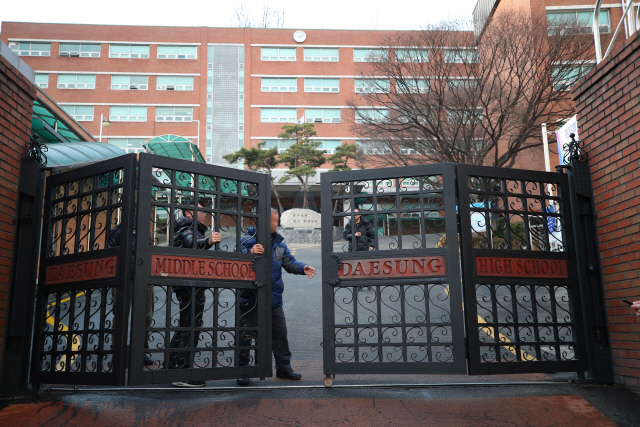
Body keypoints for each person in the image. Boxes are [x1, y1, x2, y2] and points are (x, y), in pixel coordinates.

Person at [236, 208, 316, 386]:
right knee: (246, 335)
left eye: (276, 220)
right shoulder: (247, 241)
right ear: (261, 221)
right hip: (250, 297)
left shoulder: (280, 244)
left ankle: (283, 367)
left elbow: (289, 262)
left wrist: (302, 268)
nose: (275, 224)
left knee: (280, 334)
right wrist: (249, 255)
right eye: (271, 220)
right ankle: (243, 370)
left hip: (273, 298)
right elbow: (234, 264)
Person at [170, 198, 221, 388]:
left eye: (204, 211)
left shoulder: (191, 228)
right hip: (188, 286)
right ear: (188, 213)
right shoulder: (187, 229)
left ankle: (172, 366)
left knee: (186, 324)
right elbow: (192, 242)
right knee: (191, 326)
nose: (204, 213)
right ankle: (183, 373)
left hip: (191, 285)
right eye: (199, 211)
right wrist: (207, 241)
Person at [108, 223, 155, 367]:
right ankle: (118, 352)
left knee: (146, 317)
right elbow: (110, 256)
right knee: (121, 317)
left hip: (144, 279)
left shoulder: (144, 231)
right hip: (124, 279)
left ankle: (141, 352)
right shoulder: (117, 232)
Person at [342, 209, 375, 291]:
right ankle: (358, 284)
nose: (355, 215)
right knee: (356, 267)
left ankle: (368, 283)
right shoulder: (350, 224)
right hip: (353, 249)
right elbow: (345, 235)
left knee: (366, 266)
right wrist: (353, 234)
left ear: (360, 214)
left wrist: (372, 245)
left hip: (364, 248)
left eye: (357, 213)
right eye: (354, 213)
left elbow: (372, 235)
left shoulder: (366, 223)